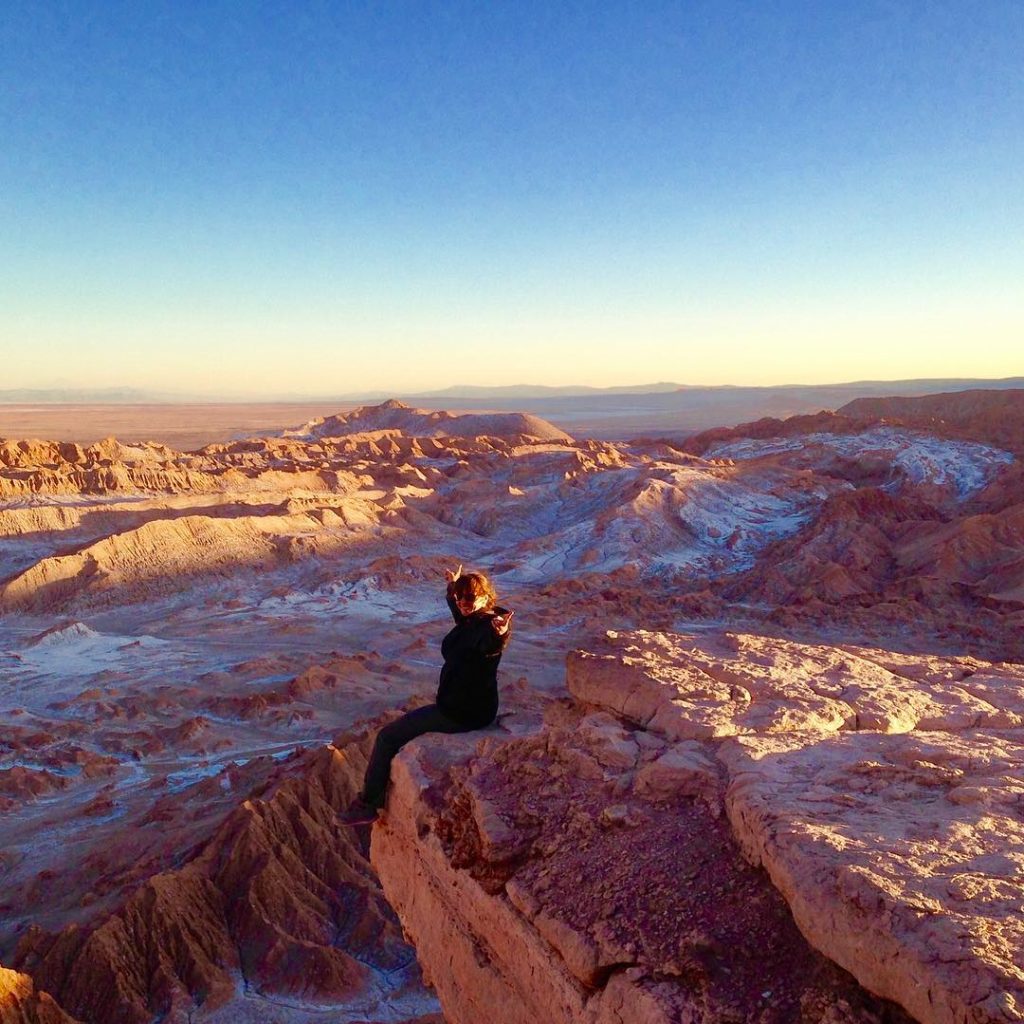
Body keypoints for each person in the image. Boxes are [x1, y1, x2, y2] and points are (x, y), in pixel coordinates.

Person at [340, 565, 513, 825]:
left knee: (387, 738)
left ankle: (368, 804)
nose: (463, 603)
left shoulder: (487, 628)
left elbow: (489, 646)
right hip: (469, 706)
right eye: (460, 596)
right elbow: (462, 616)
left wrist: (499, 635)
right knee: (392, 733)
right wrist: (452, 588)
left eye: (470, 597)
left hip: (461, 712)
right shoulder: (472, 620)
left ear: (487, 598)